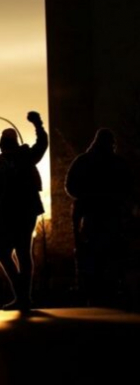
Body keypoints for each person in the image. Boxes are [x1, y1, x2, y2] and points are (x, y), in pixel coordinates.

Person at [65, 128, 132, 306]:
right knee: (111, 253)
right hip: (111, 214)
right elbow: (128, 188)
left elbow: (70, 187)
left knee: (88, 253)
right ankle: (111, 290)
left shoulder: (83, 161)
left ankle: (90, 290)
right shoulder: (118, 163)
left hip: (88, 214)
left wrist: (86, 196)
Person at [0, 111, 48, 312]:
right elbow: (41, 145)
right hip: (19, 212)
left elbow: (41, 145)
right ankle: (23, 295)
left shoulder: (22, 157)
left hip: (18, 212)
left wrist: (38, 125)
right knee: (15, 252)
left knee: (12, 252)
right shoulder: (9, 161)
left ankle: (22, 295)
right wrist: (38, 125)